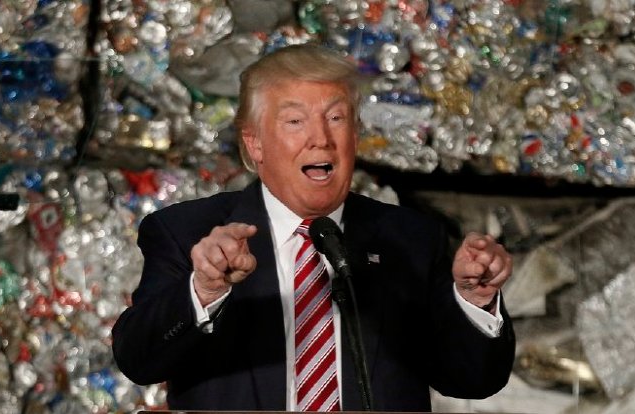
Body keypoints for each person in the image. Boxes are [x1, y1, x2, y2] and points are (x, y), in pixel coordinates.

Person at [111, 43, 515, 411]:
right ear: (254, 143)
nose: (320, 139)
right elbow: (138, 360)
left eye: (336, 118)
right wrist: (204, 290)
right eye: (295, 121)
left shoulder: (410, 239)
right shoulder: (186, 232)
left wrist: (474, 301)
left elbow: (472, 379)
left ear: (354, 135)